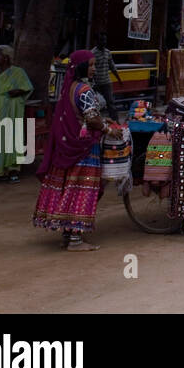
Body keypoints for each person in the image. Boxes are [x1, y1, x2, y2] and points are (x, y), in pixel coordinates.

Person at [34, 50, 118, 249]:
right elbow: (91, 119)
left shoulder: (70, 88)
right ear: (81, 67)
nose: (94, 69)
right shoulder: (84, 90)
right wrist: (108, 130)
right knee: (82, 191)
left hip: (68, 147)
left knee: (68, 189)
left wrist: (100, 119)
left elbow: (80, 114)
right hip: (84, 149)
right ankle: (75, 240)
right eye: (90, 65)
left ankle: (68, 235)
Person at [0, 45, 33, 183]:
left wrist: (18, 91)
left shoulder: (18, 72)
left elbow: (27, 87)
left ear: (6, 57)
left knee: (12, 137)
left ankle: (13, 170)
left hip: (13, 107)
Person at [90, 32, 123, 116]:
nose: (104, 42)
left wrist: (119, 79)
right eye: (101, 40)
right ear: (97, 41)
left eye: (105, 40)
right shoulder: (92, 53)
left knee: (111, 102)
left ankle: (115, 120)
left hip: (107, 82)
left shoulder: (108, 52)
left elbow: (112, 67)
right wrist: (93, 83)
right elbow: (91, 70)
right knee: (95, 104)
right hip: (96, 84)